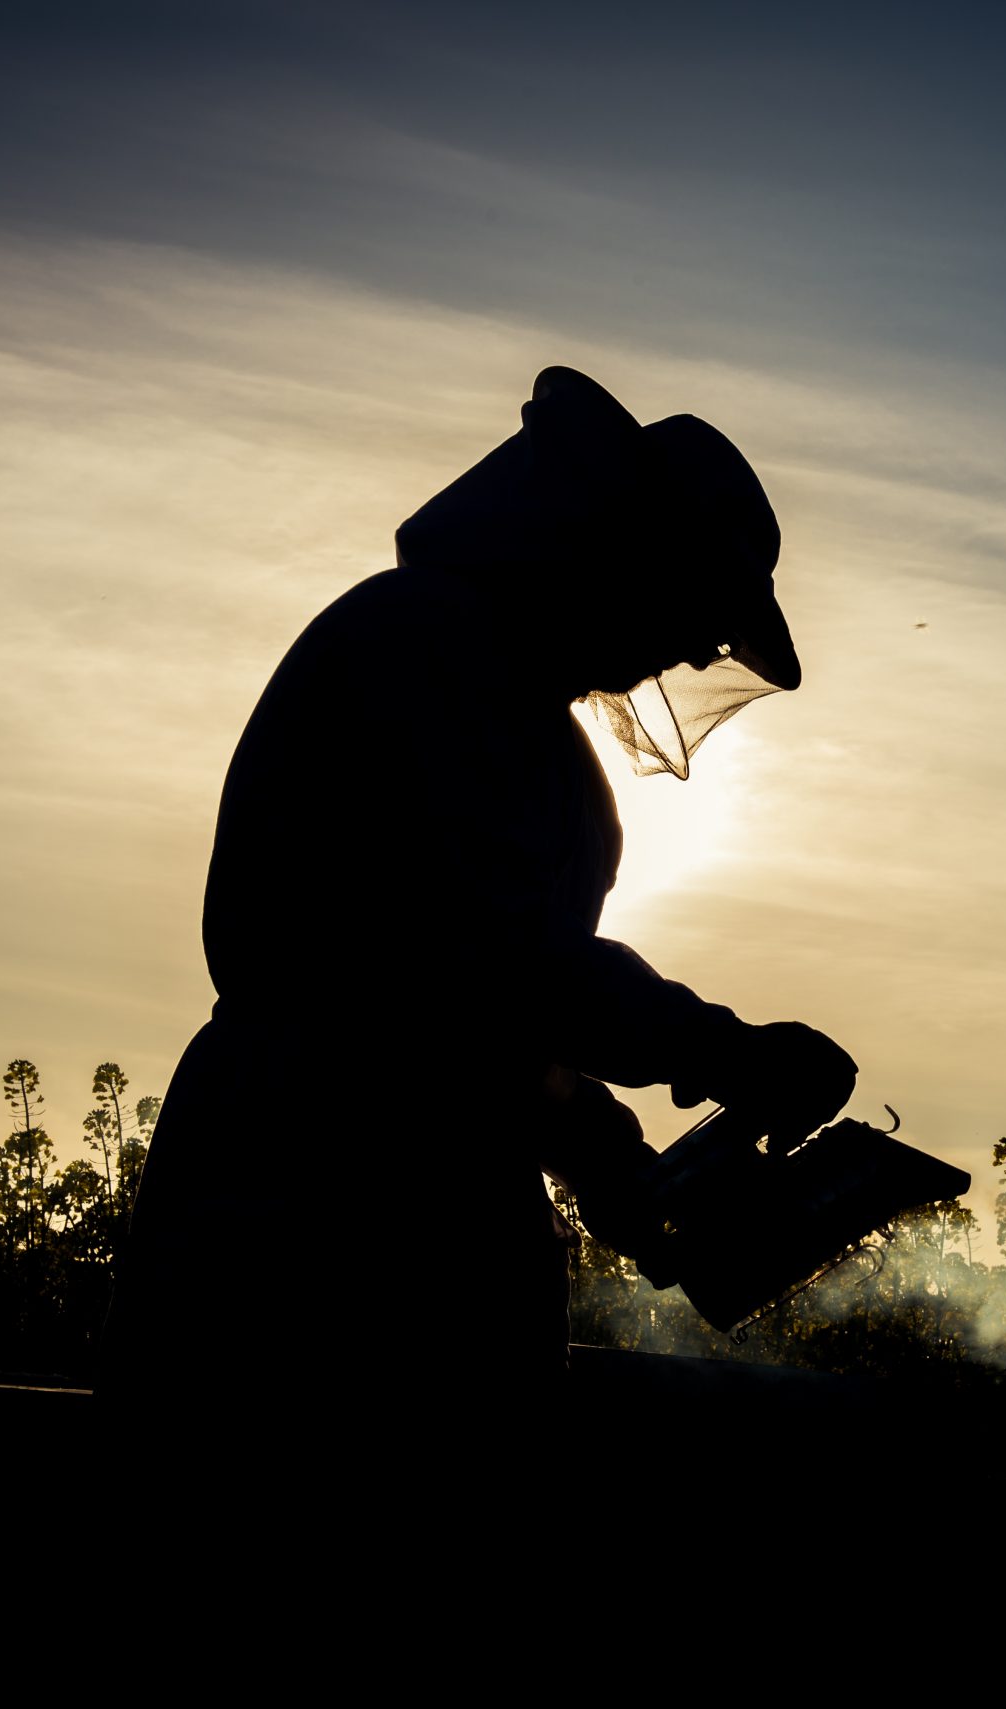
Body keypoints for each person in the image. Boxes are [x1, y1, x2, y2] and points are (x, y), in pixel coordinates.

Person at [104, 366, 858, 1438]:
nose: (691, 649)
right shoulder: (420, 645)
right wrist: (726, 1048)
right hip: (301, 1190)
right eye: (690, 603)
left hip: (428, 1202)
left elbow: (492, 1035)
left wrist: (613, 1165)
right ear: (613, 545)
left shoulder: (525, 725)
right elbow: (487, 972)